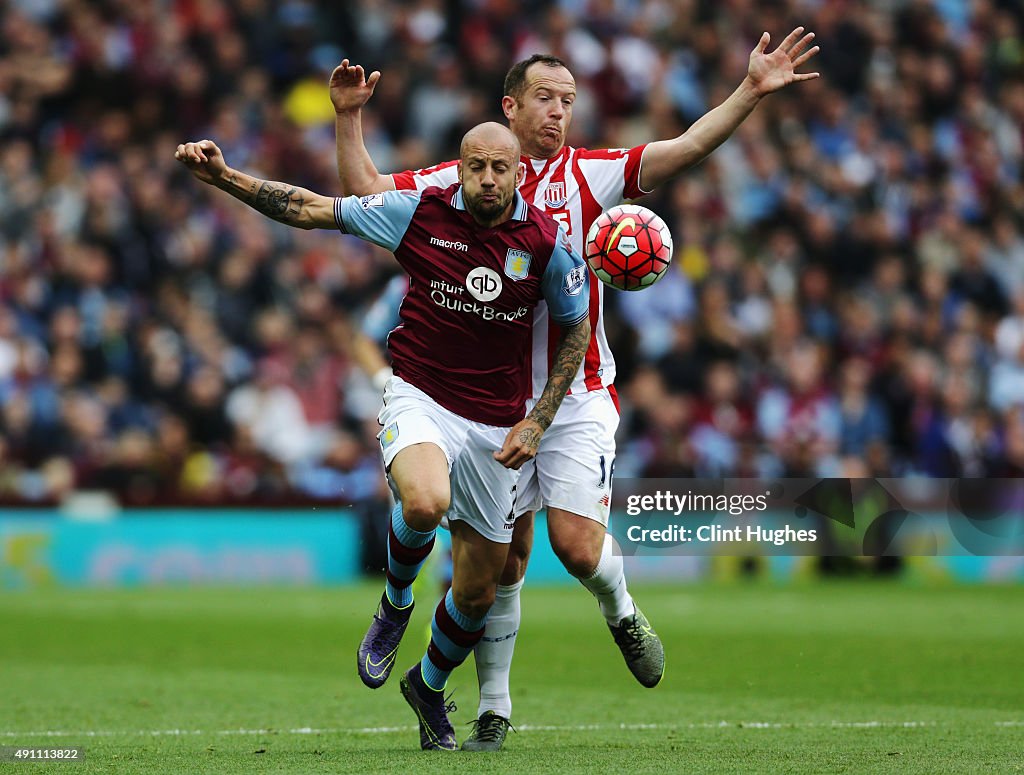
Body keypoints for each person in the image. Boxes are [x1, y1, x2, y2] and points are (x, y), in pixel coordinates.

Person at [331, 27, 820, 749]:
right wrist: (349, 117)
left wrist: (748, 90)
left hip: (577, 392)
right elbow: (367, 191)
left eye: (569, 99)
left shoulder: (591, 175)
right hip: (487, 399)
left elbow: (683, 147)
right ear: (511, 104)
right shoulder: (469, 176)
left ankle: (621, 610)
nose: (560, 112)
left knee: (579, 547)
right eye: (546, 98)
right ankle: (493, 709)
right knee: (506, 560)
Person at [174, 122, 592, 751]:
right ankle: (396, 602)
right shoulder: (417, 212)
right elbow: (314, 209)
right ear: (459, 167)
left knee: (477, 591)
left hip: (500, 422)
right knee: (423, 502)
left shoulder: (549, 244)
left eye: (498, 168)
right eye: (474, 166)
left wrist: (538, 420)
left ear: (518, 173)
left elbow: (575, 332)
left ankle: (427, 686)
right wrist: (226, 178)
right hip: (420, 395)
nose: (485, 178)